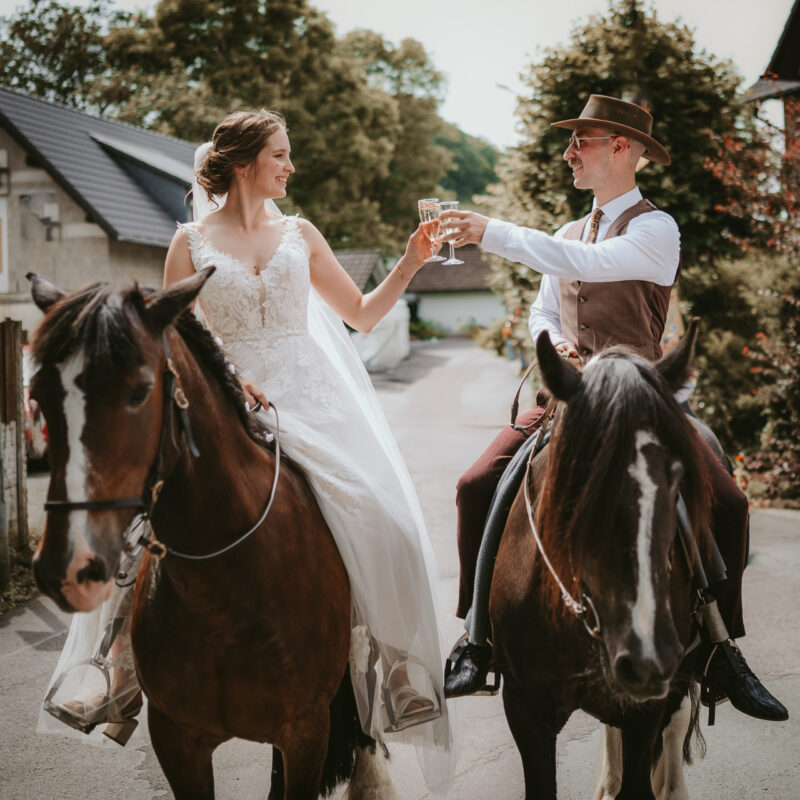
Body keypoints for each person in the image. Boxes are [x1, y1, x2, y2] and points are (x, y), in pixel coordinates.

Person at [41, 109, 455, 787]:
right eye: (281, 155)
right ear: (243, 163)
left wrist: (411, 260)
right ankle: (111, 670)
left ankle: (396, 666)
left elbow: (361, 315)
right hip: (231, 402)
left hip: (315, 400)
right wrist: (234, 378)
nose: (291, 166)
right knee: (145, 519)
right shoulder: (188, 243)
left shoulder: (301, 233)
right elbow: (178, 340)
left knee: (383, 515)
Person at [439, 95, 788, 724]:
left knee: (729, 503)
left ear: (620, 148)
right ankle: (476, 638)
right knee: (473, 485)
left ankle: (719, 649)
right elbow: (547, 304)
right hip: (570, 397)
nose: (569, 152)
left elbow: (589, 265)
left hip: (643, 399)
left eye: (582, 141)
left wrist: (491, 231)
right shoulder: (570, 230)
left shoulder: (657, 229)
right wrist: (556, 340)